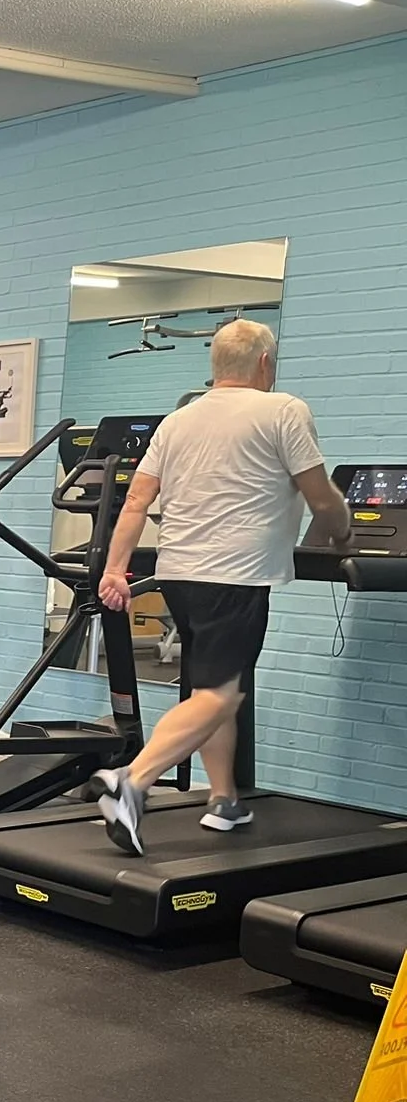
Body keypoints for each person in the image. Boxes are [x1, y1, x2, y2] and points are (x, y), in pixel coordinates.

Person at [91, 319, 350, 856]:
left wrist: (114, 570)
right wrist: (340, 525)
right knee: (220, 693)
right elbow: (320, 494)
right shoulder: (283, 409)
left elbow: (135, 501)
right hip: (235, 576)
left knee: (216, 688)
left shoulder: (177, 420)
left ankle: (224, 799)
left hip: (179, 575)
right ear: (263, 364)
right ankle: (131, 782)